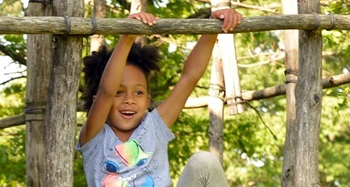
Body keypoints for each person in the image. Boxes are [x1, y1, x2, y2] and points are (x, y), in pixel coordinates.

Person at [76, 9, 243, 187]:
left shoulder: (154, 128)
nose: (129, 99)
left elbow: (189, 77)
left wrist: (213, 29)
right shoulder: (94, 137)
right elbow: (106, 91)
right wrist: (127, 38)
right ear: (98, 101)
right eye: (119, 92)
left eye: (138, 92)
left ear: (148, 101)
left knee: (204, 162)